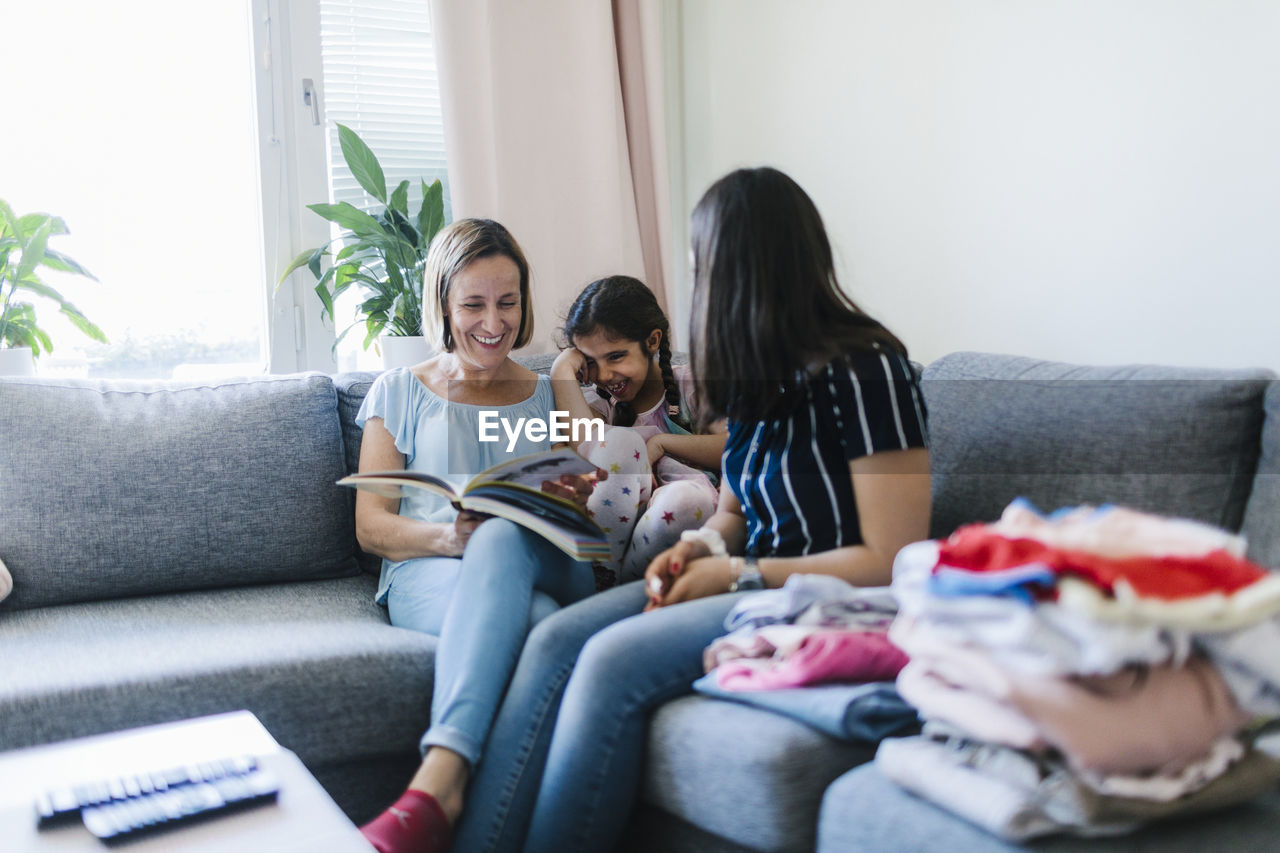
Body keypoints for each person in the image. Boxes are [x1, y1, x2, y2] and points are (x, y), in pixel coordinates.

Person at [512, 166, 934, 852]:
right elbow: (734, 513)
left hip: (812, 594)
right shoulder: (756, 373)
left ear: (741, 268)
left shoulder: (870, 367)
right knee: (555, 640)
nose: (695, 281)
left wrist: (735, 574)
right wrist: (699, 548)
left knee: (607, 664)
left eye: (699, 263)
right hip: (747, 577)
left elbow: (891, 560)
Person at [353, 218, 602, 853]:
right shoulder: (400, 390)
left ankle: (437, 783)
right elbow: (371, 525)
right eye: (473, 304)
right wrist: (452, 538)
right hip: (434, 566)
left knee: (515, 554)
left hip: (549, 559)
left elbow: (597, 492)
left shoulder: (551, 393)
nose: (493, 322)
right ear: (443, 303)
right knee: (542, 629)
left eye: (508, 302)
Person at [550, 275, 726, 582]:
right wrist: (561, 369)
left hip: (678, 517)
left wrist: (662, 442)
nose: (604, 374)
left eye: (616, 356)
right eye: (591, 362)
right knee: (617, 442)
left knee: (686, 499)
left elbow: (735, 447)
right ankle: (606, 573)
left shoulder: (692, 384)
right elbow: (585, 444)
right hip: (614, 527)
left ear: (652, 341)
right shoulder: (599, 403)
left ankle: (617, 585)